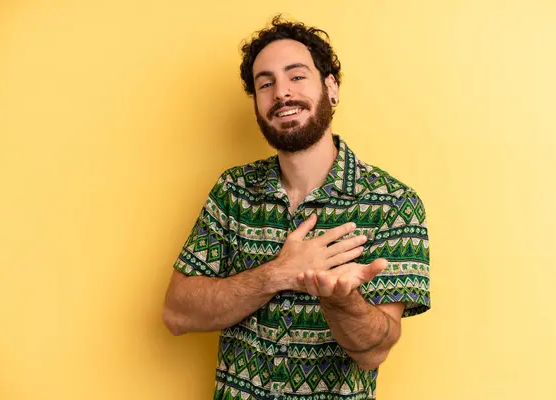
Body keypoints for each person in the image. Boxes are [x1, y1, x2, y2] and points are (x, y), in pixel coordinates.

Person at [162, 15, 430, 400]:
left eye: (297, 76)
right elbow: (176, 313)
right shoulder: (233, 190)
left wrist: (340, 301)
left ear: (331, 88)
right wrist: (279, 273)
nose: (281, 92)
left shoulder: (394, 204)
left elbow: (375, 350)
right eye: (265, 83)